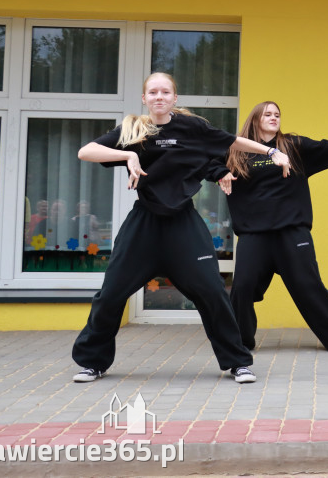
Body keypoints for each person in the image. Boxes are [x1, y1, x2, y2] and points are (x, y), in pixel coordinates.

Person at [70, 72, 291, 385]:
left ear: (174, 98)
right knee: (110, 295)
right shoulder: (134, 129)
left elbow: (231, 141)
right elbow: (86, 151)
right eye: (153, 92)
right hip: (144, 224)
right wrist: (129, 153)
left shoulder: (192, 127)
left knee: (213, 293)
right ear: (145, 98)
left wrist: (271, 151)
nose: (159, 97)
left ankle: (237, 362)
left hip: (183, 224)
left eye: (165, 92)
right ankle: (93, 363)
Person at [206, 100, 328, 354]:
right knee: (243, 287)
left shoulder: (292, 146)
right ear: (255, 119)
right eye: (267, 114)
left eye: (277, 114)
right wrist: (220, 171)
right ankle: (240, 342)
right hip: (254, 234)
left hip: (292, 232)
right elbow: (205, 160)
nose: (274, 118)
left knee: (309, 286)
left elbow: (325, 147)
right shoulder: (236, 151)